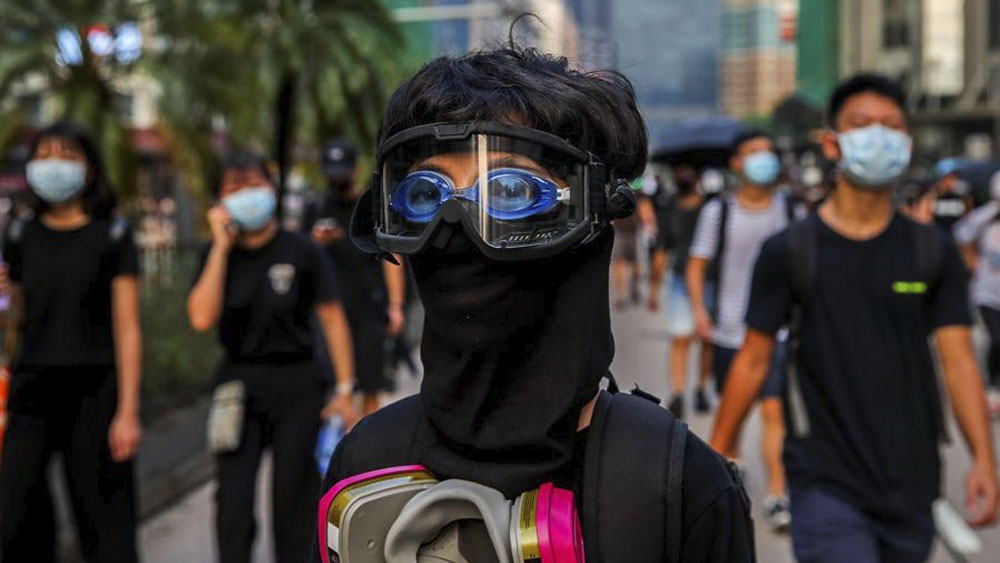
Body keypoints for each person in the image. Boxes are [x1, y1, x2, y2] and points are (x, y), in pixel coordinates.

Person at [312, 46, 754, 563]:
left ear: (597, 216)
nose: (457, 224)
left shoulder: (676, 484)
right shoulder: (364, 465)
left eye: (512, 189)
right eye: (426, 194)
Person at [710, 74, 1000, 563]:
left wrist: (984, 460)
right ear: (833, 143)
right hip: (824, 481)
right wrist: (714, 460)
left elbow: (959, 363)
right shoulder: (789, 252)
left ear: (906, 143)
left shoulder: (933, 251)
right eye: (863, 125)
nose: (879, 137)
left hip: (913, 482)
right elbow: (754, 361)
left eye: (892, 127)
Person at [187, 150, 358, 563]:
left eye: (255, 184)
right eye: (235, 188)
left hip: (298, 383)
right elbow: (200, 317)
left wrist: (345, 388)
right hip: (237, 386)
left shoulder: (301, 250)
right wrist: (221, 249)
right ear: (219, 201)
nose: (247, 194)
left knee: (293, 501)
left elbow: (333, 319)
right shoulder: (216, 256)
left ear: (271, 188)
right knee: (232, 502)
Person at [0, 122, 142, 562]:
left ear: (89, 167)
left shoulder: (113, 234)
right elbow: (18, 316)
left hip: (95, 390)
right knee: (14, 516)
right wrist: (7, 291)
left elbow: (128, 326)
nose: (54, 165)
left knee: (103, 522)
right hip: (32, 387)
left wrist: (128, 411)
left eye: (67, 155)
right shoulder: (20, 233)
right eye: (44, 155)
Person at [686, 129, 794, 531]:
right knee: (731, 416)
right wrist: (700, 313)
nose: (764, 160)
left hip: (777, 334)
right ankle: (729, 477)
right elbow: (697, 264)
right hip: (730, 331)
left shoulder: (790, 209)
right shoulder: (720, 212)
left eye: (769, 153)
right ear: (737, 163)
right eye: (755, 154)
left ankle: (778, 494)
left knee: (773, 410)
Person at [304, 138, 407, 416]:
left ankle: (364, 446)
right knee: (336, 386)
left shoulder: (372, 206)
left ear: (355, 168)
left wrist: (395, 305)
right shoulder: (315, 208)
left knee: (370, 384)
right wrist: (315, 243)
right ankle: (338, 447)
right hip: (328, 310)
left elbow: (392, 256)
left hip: (369, 309)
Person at [647, 163, 713, 419]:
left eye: (689, 168)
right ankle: (677, 392)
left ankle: (702, 387)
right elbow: (662, 248)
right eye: (680, 169)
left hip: (710, 278)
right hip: (679, 280)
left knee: (708, 338)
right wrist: (653, 288)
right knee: (680, 338)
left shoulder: (713, 206)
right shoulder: (668, 208)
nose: (684, 173)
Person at [953, 171, 1000, 416]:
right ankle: (992, 387)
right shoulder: (986, 219)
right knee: (997, 339)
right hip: (988, 294)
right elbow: (961, 235)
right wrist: (971, 261)